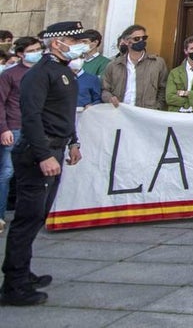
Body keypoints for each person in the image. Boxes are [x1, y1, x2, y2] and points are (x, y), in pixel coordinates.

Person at [0, 21, 86, 306]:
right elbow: (32, 116)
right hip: (38, 152)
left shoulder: (64, 72)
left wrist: (73, 141)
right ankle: (14, 284)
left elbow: (64, 114)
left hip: (56, 146)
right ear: (58, 42)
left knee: (38, 216)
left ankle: (23, 272)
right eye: (75, 41)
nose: (79, 46)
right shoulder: (39, 74)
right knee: (27, 219)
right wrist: (44, 155)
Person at [0, 37, 44, 235]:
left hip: (38, 129)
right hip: (15, 127)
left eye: (38, 48)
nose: (37, 52)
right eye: (32, 49)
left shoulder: (43, 72)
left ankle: (28, 215)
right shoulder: (10, 75)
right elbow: (1, 102)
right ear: (20, 54)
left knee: (32, 174)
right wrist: (4, 128)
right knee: (7, 172)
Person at [102, 25, 169, 110]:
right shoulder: (114, 65)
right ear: (126, 41)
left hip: (146, 113)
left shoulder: (157, 63)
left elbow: (163, 88)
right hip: (120, 111)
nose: (141, 41)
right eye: (136, 39)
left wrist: (157, 107)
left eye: (144, 38)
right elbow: (105, 89)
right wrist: (110, 98)